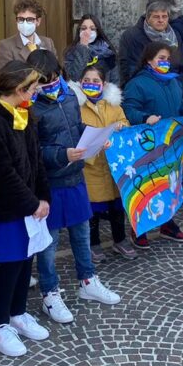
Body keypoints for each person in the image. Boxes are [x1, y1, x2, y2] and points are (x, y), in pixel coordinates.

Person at [26, 49, 121, 324]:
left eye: (55, 77)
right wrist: (61, 155)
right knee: (49, 243)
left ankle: (88, 280)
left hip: (76, 177)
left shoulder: (69, 97)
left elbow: (77, 129)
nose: (51, 83)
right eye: (44, 80)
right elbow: (33, 151)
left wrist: (94, 139)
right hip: (51, 182)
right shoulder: (31, 107)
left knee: (81, 234)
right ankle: (50, 292)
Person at [0, 61, 52, 357]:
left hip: (29, 206)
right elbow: (0, 173)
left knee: (26, 259)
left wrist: (43, 197)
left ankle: (18, 313)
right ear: (19, 90)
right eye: (33, 87)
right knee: (10, 265)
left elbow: (36, 160)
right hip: (6, 208)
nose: (37, 92)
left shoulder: (24, 114)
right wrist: (31, 203)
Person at [122, 41, 183, 246]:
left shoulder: (173, 81)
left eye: (167, 59)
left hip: (171, 145)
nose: (165, 62)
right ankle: (139, 227)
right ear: (149, 60)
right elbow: (128, 109)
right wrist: (144, 117)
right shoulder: (137, 83)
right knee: (147, 186)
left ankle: (167, 223)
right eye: (161, 58)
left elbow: (180, 105)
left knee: (169, 184)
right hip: (148, 145)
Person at [70, 63, 136, 260]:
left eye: (95, 81)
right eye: (87, 81)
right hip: (90, 166)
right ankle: (94, 243)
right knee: (93, 209)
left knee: (117, 206)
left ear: (104, 83)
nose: (91, 84)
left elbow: (125, 123)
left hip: (113, 163)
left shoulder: (113, 104)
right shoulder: (75, 106)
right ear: (80, 83)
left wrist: (119, 128)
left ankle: (120, 240)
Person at [117, 1, 183, 103]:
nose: (161, 20)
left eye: (164, 16)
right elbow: (129, 69)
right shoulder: (131, 36)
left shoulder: (175, 36)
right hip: (146, 94)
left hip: (175, 92)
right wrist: (156, 90)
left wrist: (177, 87)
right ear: (148, 18)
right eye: (156, 17)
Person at [0, 0, 57, 72]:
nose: (25, 23)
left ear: (38, 21)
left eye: (29, 19)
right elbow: (5, 78)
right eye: (21, 19)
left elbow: (56, 71)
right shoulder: (6, 46)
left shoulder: (48, 43)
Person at [63, 13, 119, 85]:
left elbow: (115, 81)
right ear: (79, 31)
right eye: (84, 28)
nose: (88, 32)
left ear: (97, 32)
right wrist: (83, 47)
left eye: (92, 29)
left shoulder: (107, 53)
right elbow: (75, 77)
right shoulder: (70, 53)